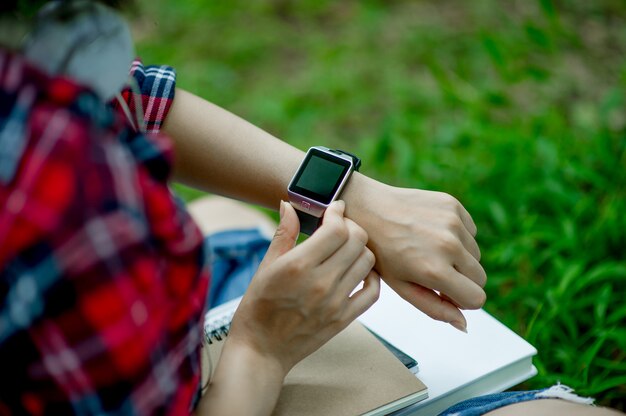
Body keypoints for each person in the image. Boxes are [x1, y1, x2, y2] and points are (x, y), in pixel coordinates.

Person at [0, 1, 621, 415]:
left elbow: (132, 97)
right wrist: (259, 352)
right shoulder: (54, 214)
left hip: (160, 338)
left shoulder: (33, 90)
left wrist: (349, 196)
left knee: (230, 215)